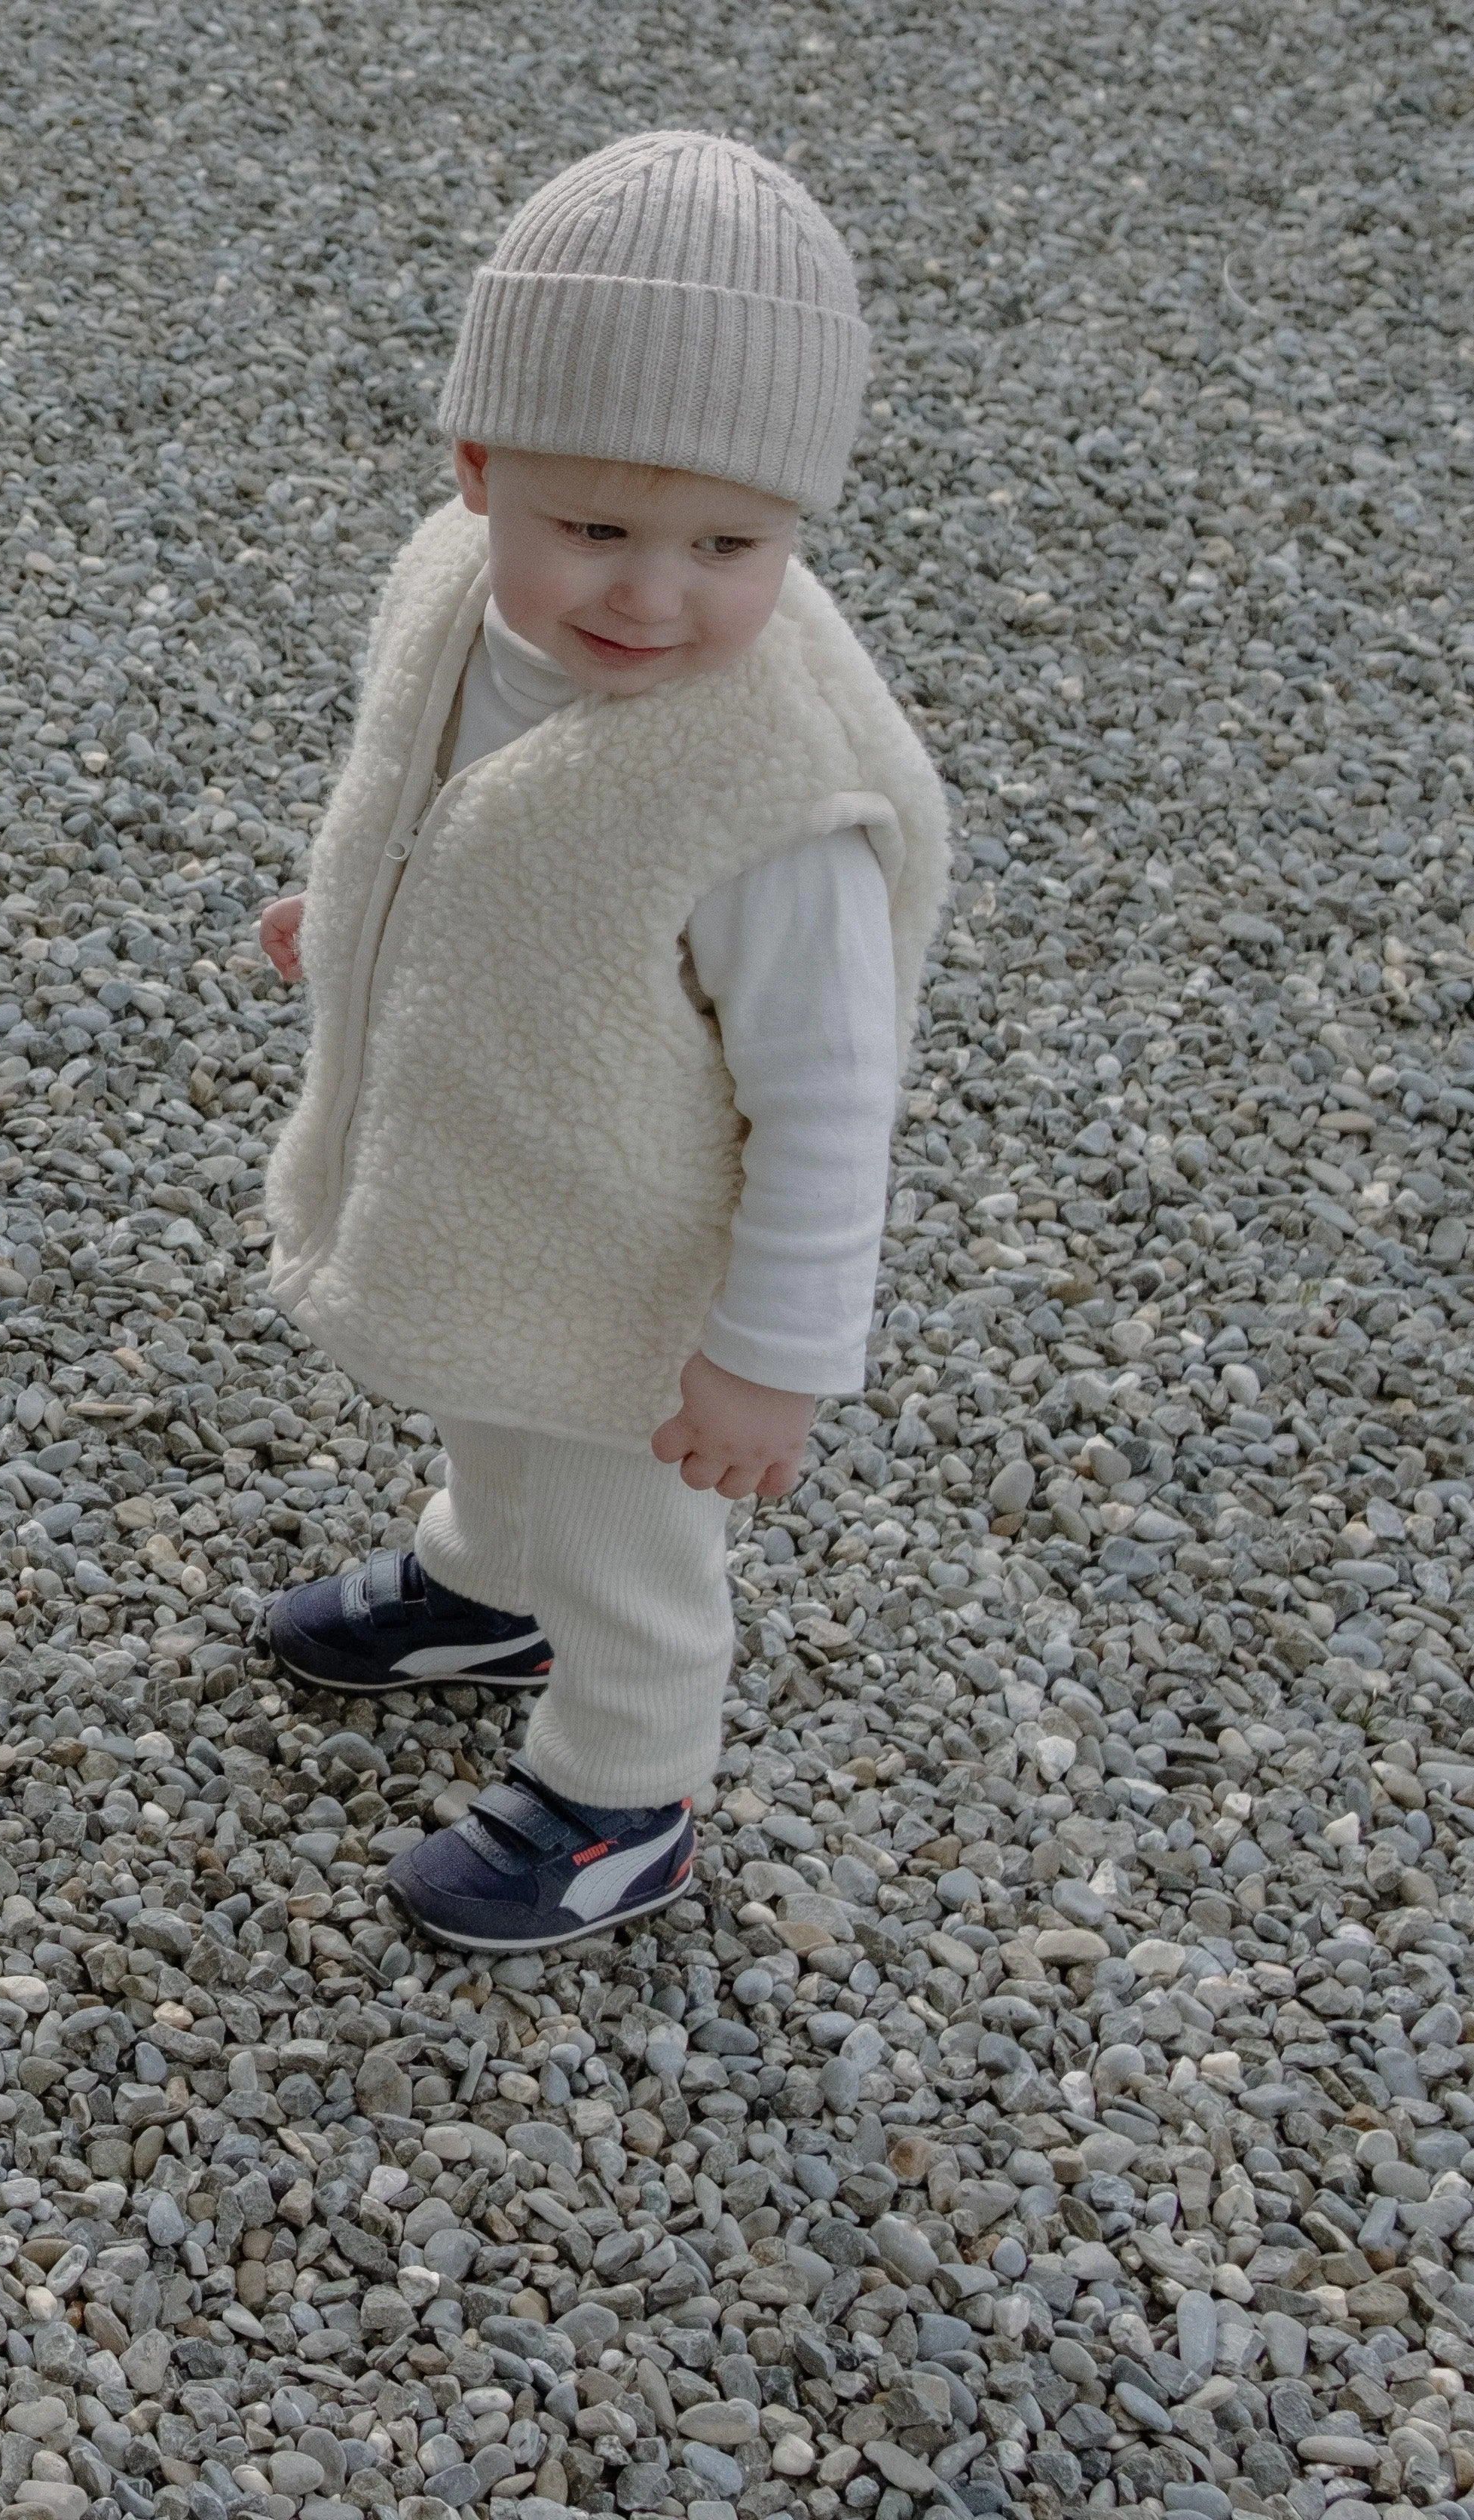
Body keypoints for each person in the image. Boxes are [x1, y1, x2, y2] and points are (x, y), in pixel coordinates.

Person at [250, 130, 952, 1953]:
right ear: (479, 474)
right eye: (598, 529)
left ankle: (623, 1792)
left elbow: (827, 1098)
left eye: (727, 542)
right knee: (489, 1400)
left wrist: (769, 1360)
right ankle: (487, 1587)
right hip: (495, 1182)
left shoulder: (766, 790)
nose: (651, 592)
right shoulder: (446, 601)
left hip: (635, 1260)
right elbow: (430, 810)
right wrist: (347, 926)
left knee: (626, 1532)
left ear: (797, 520)